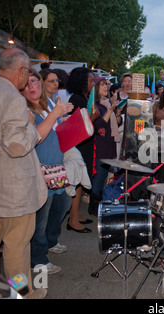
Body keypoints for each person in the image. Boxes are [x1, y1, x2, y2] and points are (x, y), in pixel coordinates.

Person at [0, 48, 48, 299]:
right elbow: (16, 147)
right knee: (16, 248)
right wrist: (32, 127)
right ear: (22, 70)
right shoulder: (13, 98)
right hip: (15, 191)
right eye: (27, 73)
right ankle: (21, 294)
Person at [22, 68, 74, 274]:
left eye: (35, 81)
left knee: (62, 204)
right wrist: (55, 116)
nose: (32, 86)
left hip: (56, 167)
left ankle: (51, 241)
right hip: (40, 169)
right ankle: (38, 259)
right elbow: (36, 138)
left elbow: (56, 127)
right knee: (40, 217)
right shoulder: (26, 110)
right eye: (27, 84)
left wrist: (66, 121)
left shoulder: (49, 104)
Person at [65, 67, 98, 232]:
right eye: (91, 81)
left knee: (79, 182)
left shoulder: (83, 98)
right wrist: (93, 117)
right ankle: (73, 220)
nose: (94, 84)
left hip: (85, 143)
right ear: (81, 82)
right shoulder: (76, 99)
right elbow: (79, 126)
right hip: (79, 144)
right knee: (77, 181)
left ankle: (76, 215)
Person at [88, 77, 121, 216]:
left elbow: (116, 124)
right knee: (99, 177)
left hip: (109, 143)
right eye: (102, 84)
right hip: (101, 145)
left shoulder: (107, 103)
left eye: (107, 84)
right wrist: (111, 109)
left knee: (103, 176)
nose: (106, 87)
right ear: (96, 88)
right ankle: (93, 207)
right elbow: (99, 125)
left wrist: (117, 111)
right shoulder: (96, 105)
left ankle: (98, 203)